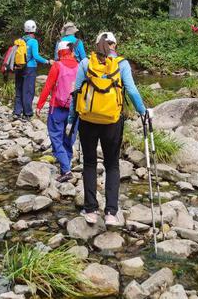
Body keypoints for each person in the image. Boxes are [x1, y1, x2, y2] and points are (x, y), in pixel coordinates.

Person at [69, 32, 146, 226]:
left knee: (89, 163)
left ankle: (91, 210)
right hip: (112, 121)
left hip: (88, 120)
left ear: (96, 45)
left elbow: (76, 93)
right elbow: (132, 90)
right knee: (112, 164)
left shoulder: (86, 63)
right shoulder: (121, 64)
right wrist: (143, 112)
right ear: (114, 45)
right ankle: (111, 213)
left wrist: (71, 119)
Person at [36, 40, 79, 182]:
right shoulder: (80, 66)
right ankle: (66, 166)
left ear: (59, 52)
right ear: (71, 52)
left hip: (57, 108)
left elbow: (48, 86)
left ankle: (66, 170)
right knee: (68, 139)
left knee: (56, 137)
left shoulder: (57, 65)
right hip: (75, 109)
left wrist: (39, 105)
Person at [13, 20, 53, 119]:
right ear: (34, 29)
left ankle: (17, 112)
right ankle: (27, 113)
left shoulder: (19, 40)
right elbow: (35, 56)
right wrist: (47, 61)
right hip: (29, 68)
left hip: (19, 67)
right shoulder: (33, 41)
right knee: (28, 91)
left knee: (19, 89)